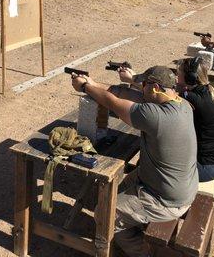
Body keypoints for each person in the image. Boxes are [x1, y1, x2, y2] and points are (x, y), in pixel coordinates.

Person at [71, 66, 198, 257]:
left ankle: (144, 252)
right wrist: (93, 83)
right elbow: (125, 94)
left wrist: (84, 88)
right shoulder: (182, 104)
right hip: (174, 185)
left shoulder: (154, 115)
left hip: (166, 200)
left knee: (105, 215)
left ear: (155, 87)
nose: (141, 89)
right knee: (116, 189)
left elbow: (113, 103)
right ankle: (135, 222)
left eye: (144, 85)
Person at [177, 57, 214, 183]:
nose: (176, 77)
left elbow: (159, 95)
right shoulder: (205, 91)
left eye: (179, 75)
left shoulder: (194, 98)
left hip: (204, 168)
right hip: (212, 164)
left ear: (190, 78)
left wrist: (132, 79)